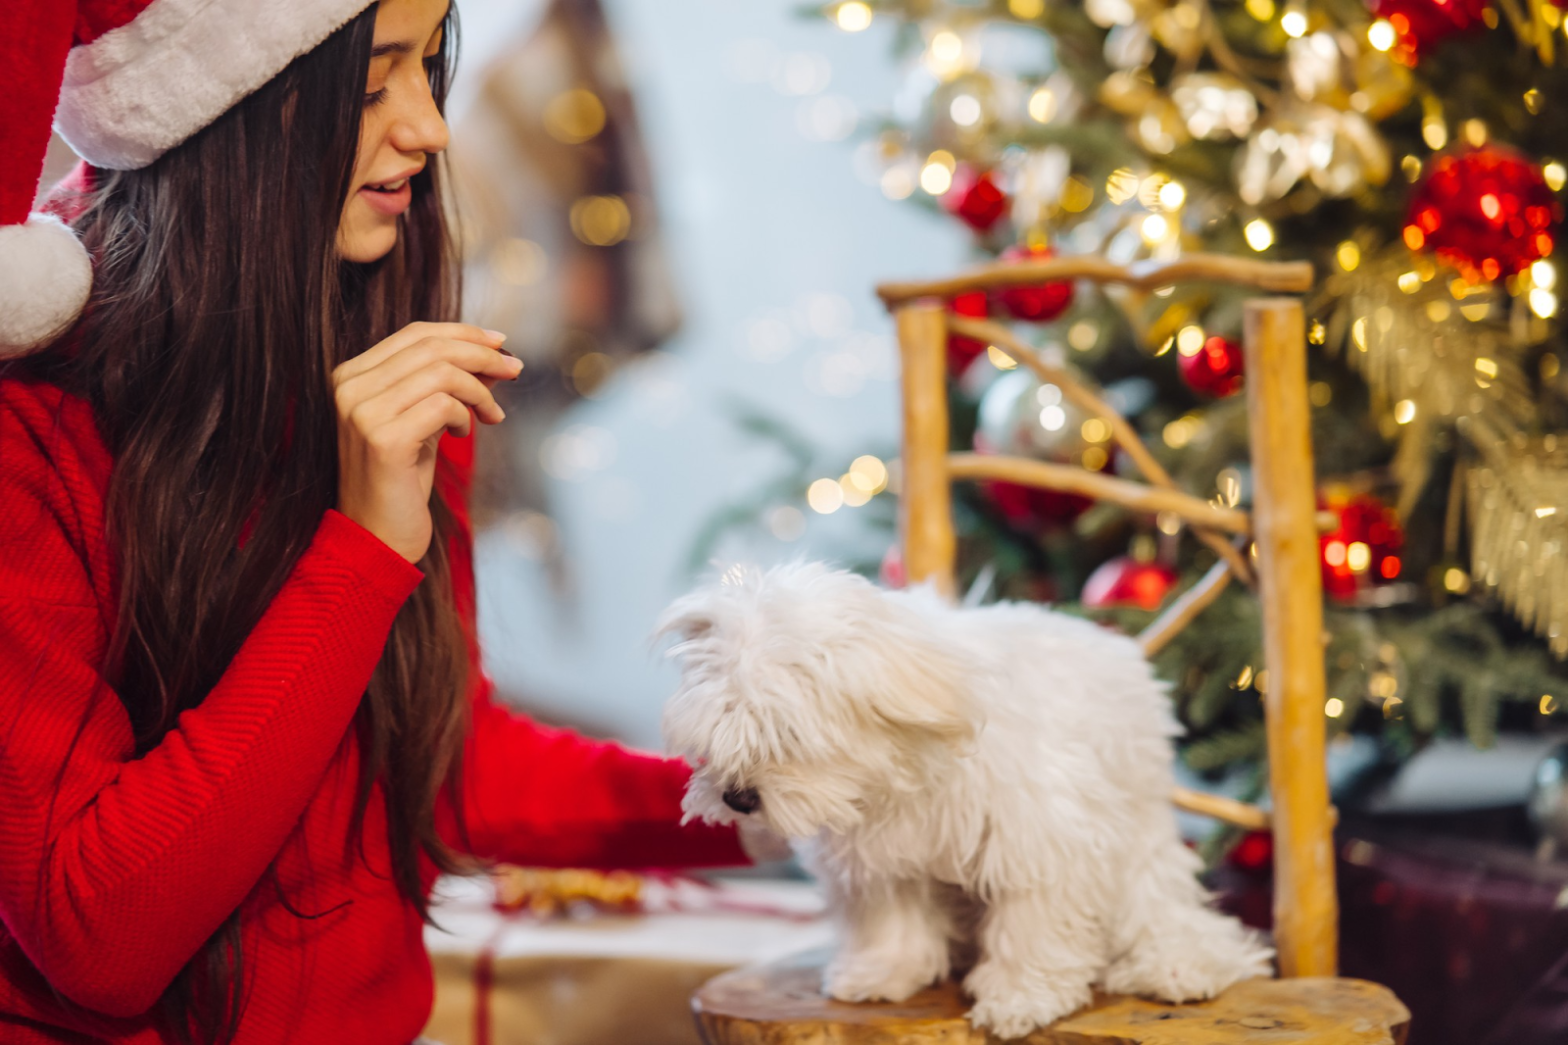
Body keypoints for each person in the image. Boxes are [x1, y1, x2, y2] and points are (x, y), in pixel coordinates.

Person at [0, 1, 754, 1042]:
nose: (430, 128)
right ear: (225, 110)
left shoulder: (383, 363)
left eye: (428, 64)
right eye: (371, 84)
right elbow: (100, 933)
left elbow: (435, 760)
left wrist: (756, 802)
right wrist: (355, 553)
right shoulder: (28, 431)